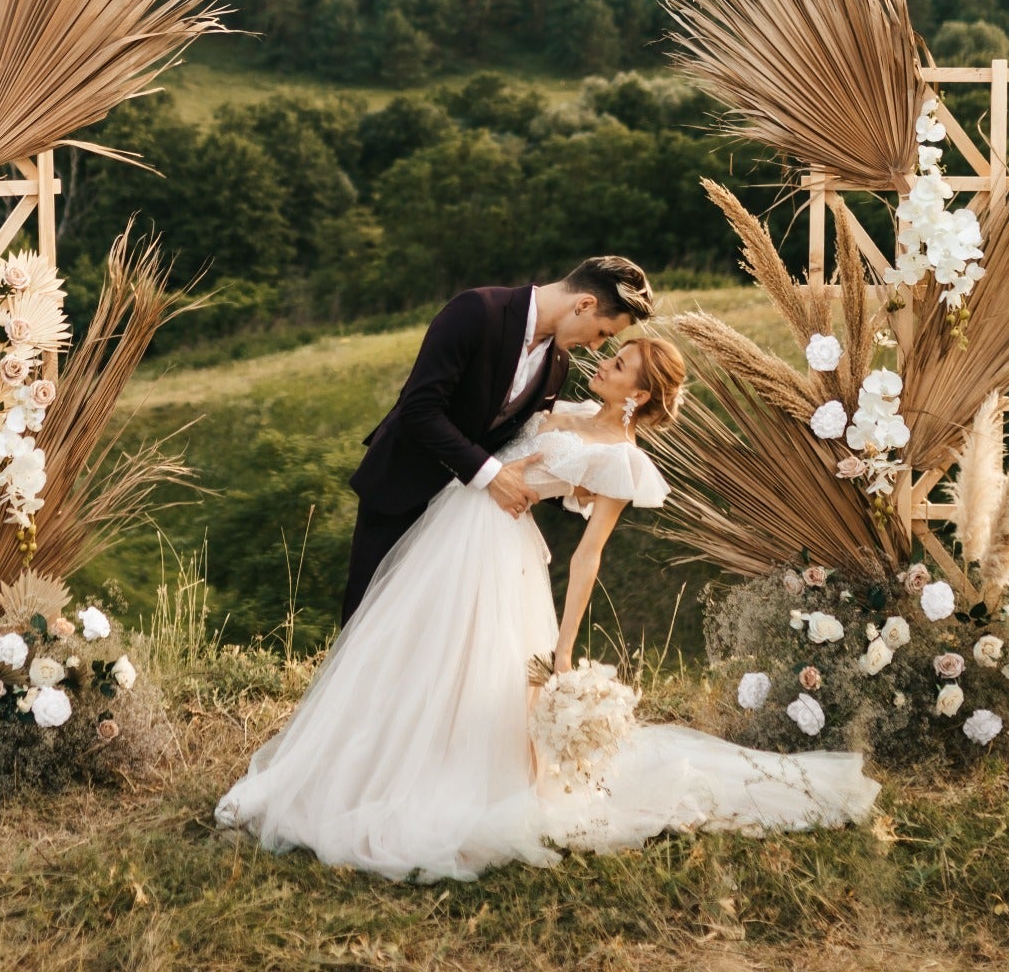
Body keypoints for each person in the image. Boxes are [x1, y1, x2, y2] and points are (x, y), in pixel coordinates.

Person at [217, 335, 880, 882]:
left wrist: (564, 649)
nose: (605, 365)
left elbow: (589, 555)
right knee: (411, 653)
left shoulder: (621, 460)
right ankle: (367, 764)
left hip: (498, 554)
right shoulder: (557, 410)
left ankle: (444, 777)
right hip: (450, 529)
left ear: (640, 394)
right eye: (610, 355)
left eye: (619, 365)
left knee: (472, 667)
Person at [340, 256, 650, 622]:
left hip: (463, 525)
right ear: (585, 304)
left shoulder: (558, 365)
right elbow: (419, 409)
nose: (597, 347)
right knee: (367, 625)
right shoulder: (477, 311)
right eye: (602, 333)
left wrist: (569, 489)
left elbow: (514, 443)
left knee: (430, 635)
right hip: (402, 490)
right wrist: (490, 475)